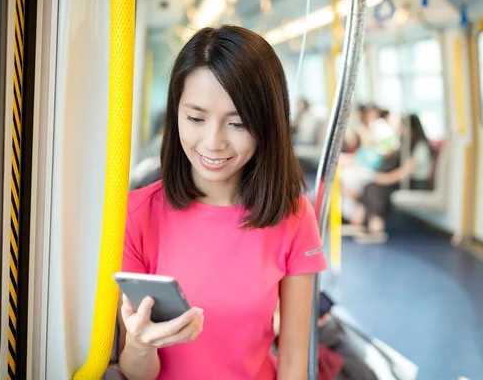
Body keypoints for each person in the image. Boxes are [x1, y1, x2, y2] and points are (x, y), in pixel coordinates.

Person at [117, 26, 327, 380]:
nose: (213, 143)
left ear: (267, 125)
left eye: (238, 123)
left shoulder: (293, 217)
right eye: (196, 118)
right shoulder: (136, 215)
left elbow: (293, 362)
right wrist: (140, 344)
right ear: (175, 114)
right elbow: (139, 374)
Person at [350, 114, 433, 243]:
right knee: (370, 186)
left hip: (415, 183)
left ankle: (376, 229)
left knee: (376, 187)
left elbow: (406, 171)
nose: (402, 131)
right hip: (402, 181)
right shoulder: (406, 144)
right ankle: (364, 224)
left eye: (404, 128)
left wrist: (384, 179)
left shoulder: (420, 147)